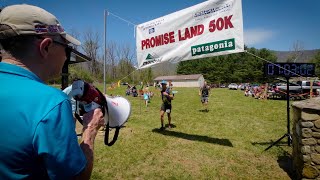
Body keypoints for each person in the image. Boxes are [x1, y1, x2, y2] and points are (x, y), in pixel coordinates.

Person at [0, 4, 104, 179]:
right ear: (46, 47)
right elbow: (78, 177)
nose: (66, 56)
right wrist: (90, 129)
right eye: (67, 49)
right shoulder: (52, 103)